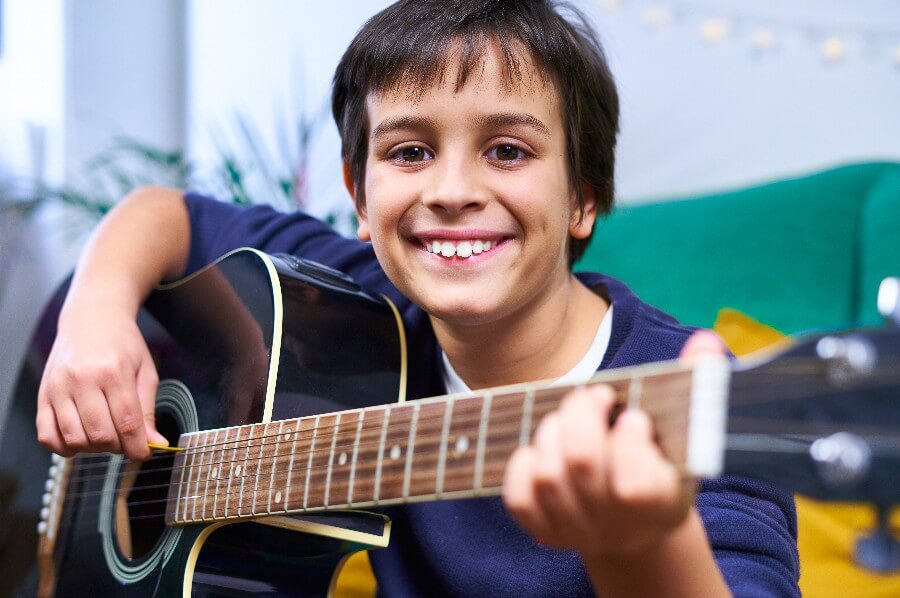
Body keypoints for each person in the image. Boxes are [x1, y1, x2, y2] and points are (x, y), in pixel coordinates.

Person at [35, 0, 799, 595]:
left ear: (583, 198)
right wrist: (93, 317)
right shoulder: (350, 314)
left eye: (508, 150)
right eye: (410, 152)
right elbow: (166, 212)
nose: (453, 191)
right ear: (360, 200)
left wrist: (641, 545)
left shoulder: (695, 400)